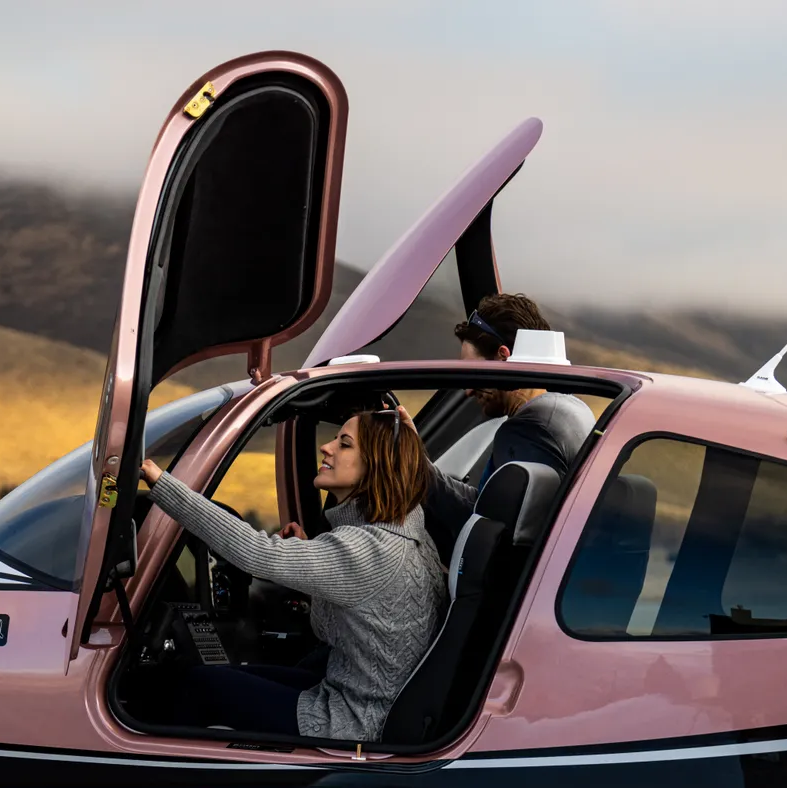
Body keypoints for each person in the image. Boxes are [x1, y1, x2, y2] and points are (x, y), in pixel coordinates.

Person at [139, 410, 446, 742]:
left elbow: (258, 553)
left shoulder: (368, 548)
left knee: (199, 686)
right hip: (373, 702)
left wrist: (162, 483)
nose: (326, 448)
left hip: (356, 721)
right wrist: (312, 562)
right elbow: (341, 624)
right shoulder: (409, 529)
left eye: (344, 444)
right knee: (223, 675)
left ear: (377, 464)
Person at [420, 292, 596, 562]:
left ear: (503, 356)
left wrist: (412, 466)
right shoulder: (570, 410)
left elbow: (484, 533)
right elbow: (487, 505)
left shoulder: (529, 429)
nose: (467, 391)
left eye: (473, 374)